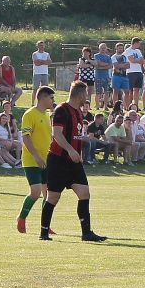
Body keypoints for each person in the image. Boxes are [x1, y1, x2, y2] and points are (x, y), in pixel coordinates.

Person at [41, 81, 104, 243]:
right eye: (86, 94)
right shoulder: (61, 110)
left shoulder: (78, 112)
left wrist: (80, 145)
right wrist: (70, 149)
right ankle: (44, 232)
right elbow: (57, 134)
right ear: (81, 94)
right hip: (58, 160)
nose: (87, 97)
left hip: (74, 162)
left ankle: (87, 233)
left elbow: (72, 134)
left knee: (84, 194)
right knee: (53, 197)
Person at [16, 85, 54, 234]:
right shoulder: (29, 114)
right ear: (43, 97)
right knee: (35, 192)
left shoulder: (46, 115)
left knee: (49, 195)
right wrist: (36, 156)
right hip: (32, 160)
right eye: (51, 98)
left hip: (46, 160)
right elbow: (26, 137)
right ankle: (21, 218)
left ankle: (45, 225)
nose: (53, 101)